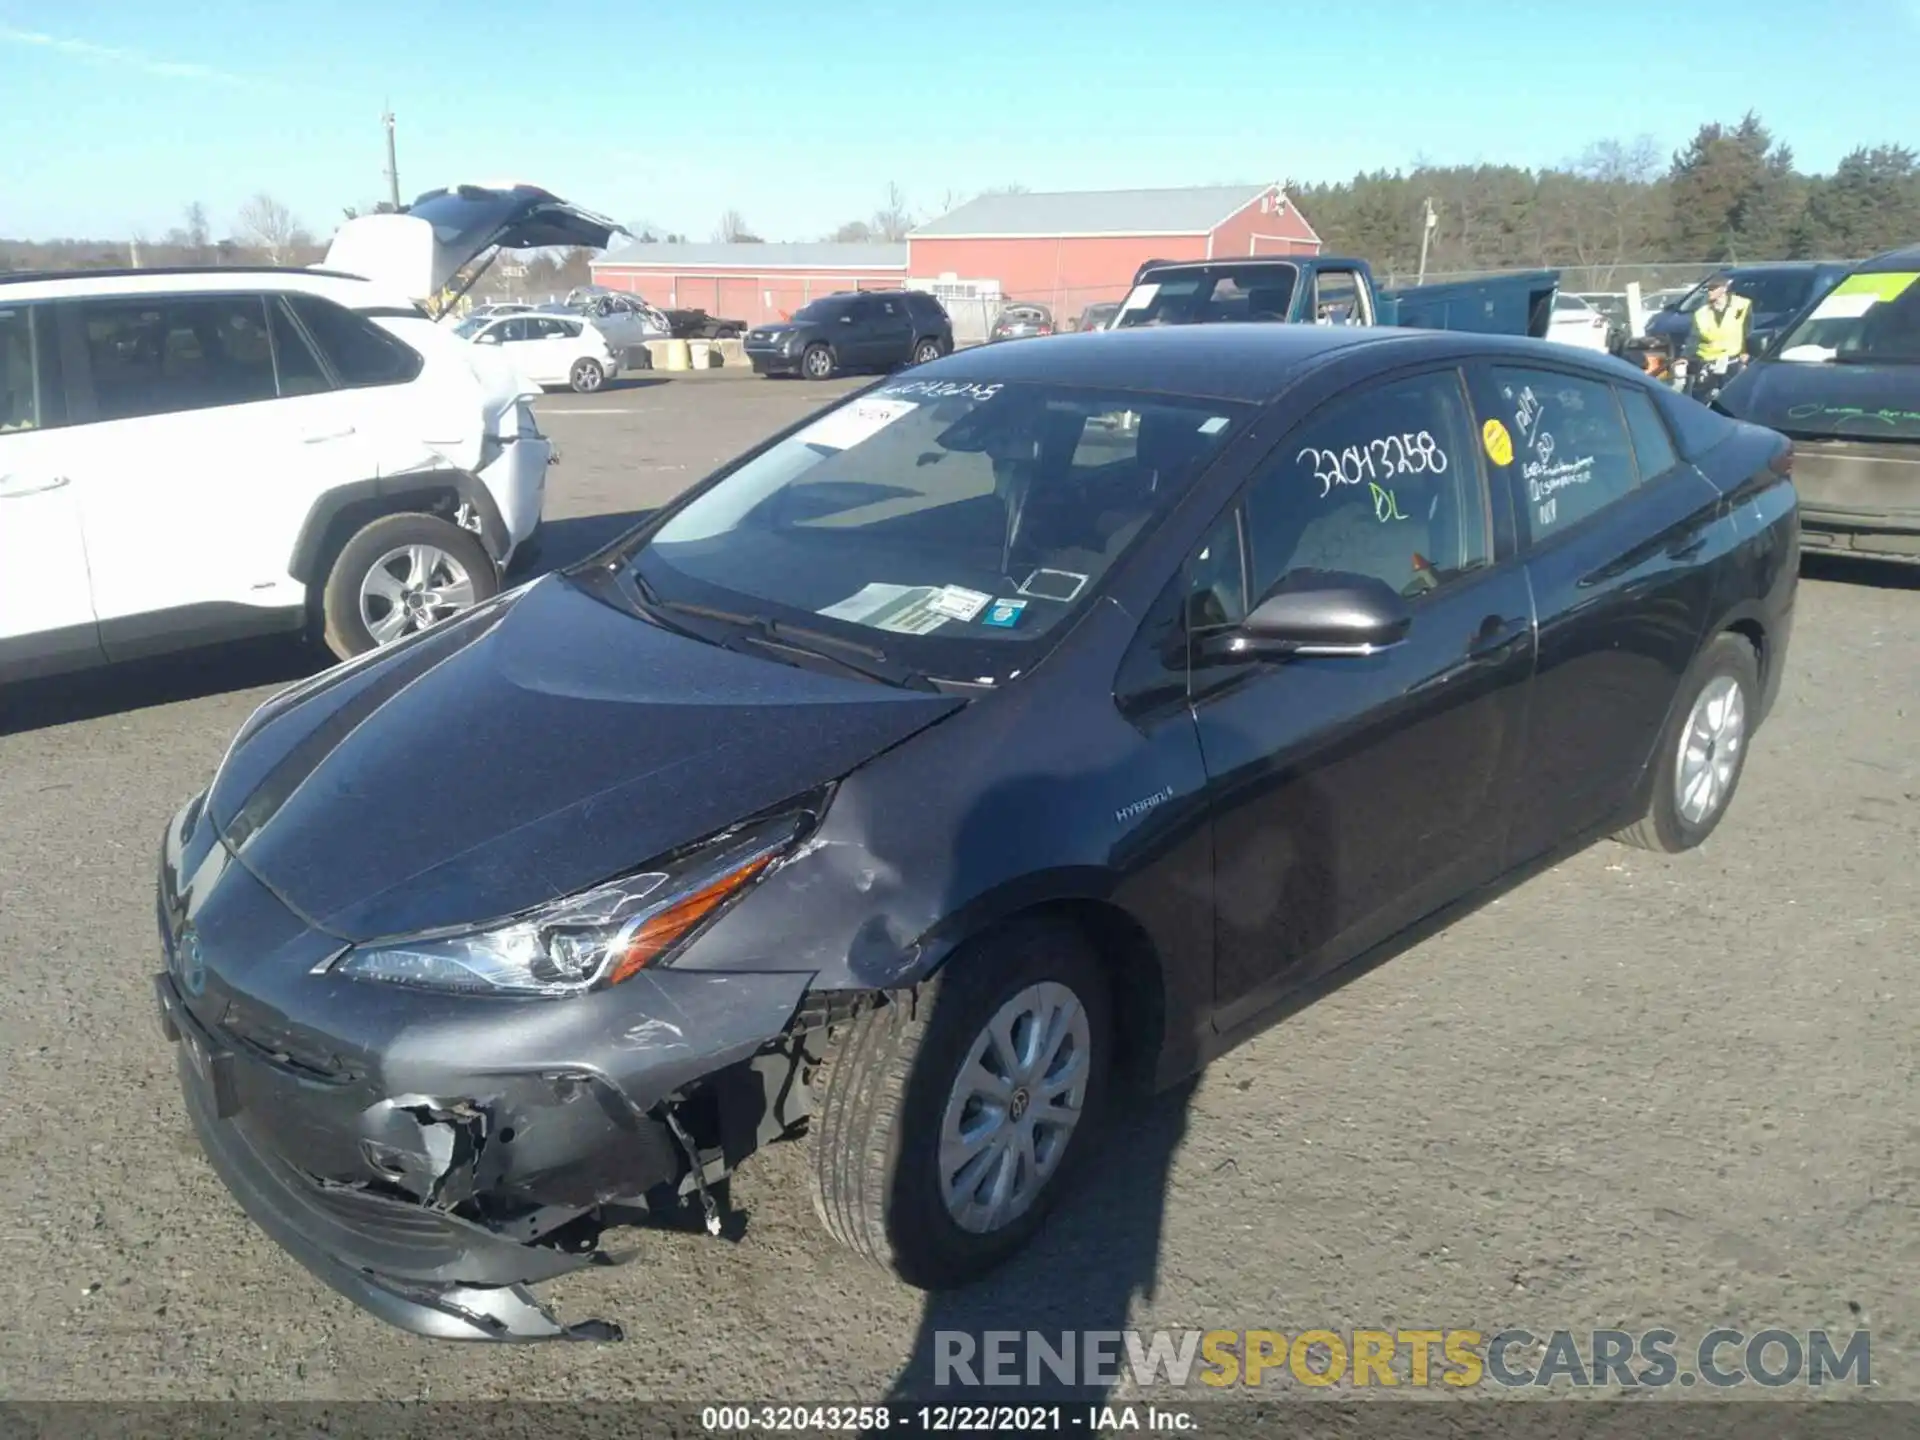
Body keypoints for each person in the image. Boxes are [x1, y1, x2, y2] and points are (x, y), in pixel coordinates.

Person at [1686, 275, 1752, 396]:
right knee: (1700, 397)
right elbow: (1694, 338)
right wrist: (1684, 357)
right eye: (1708, 289)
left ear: (1724, 289)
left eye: (1713, 289)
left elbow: (1747, 331)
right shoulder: (1701, 313)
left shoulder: (1742, 305)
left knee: (1732, 396)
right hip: (1707, 361)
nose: (1709, 292)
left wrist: (1746, 351)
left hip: (1732, 360)